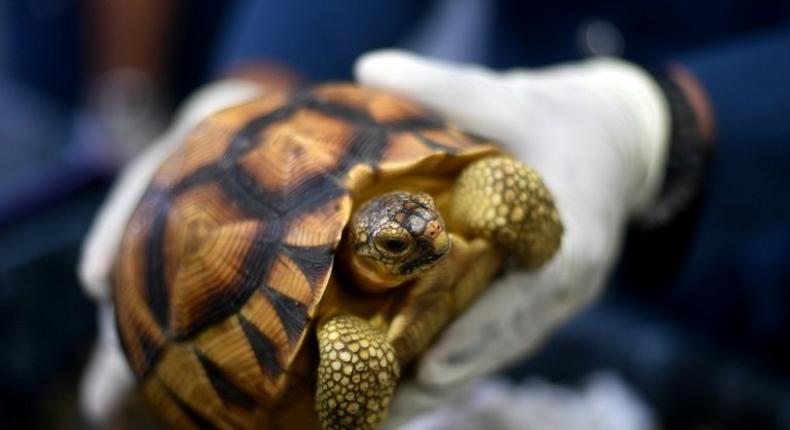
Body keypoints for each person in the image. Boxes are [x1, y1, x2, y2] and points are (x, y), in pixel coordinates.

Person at [78, 1, 790, 428]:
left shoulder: (434, 215)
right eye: (394, 241)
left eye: (418, 217)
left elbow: (482, 194)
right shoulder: (350, 338)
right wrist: (257, 91)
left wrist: (656, 128)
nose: (425, 234)